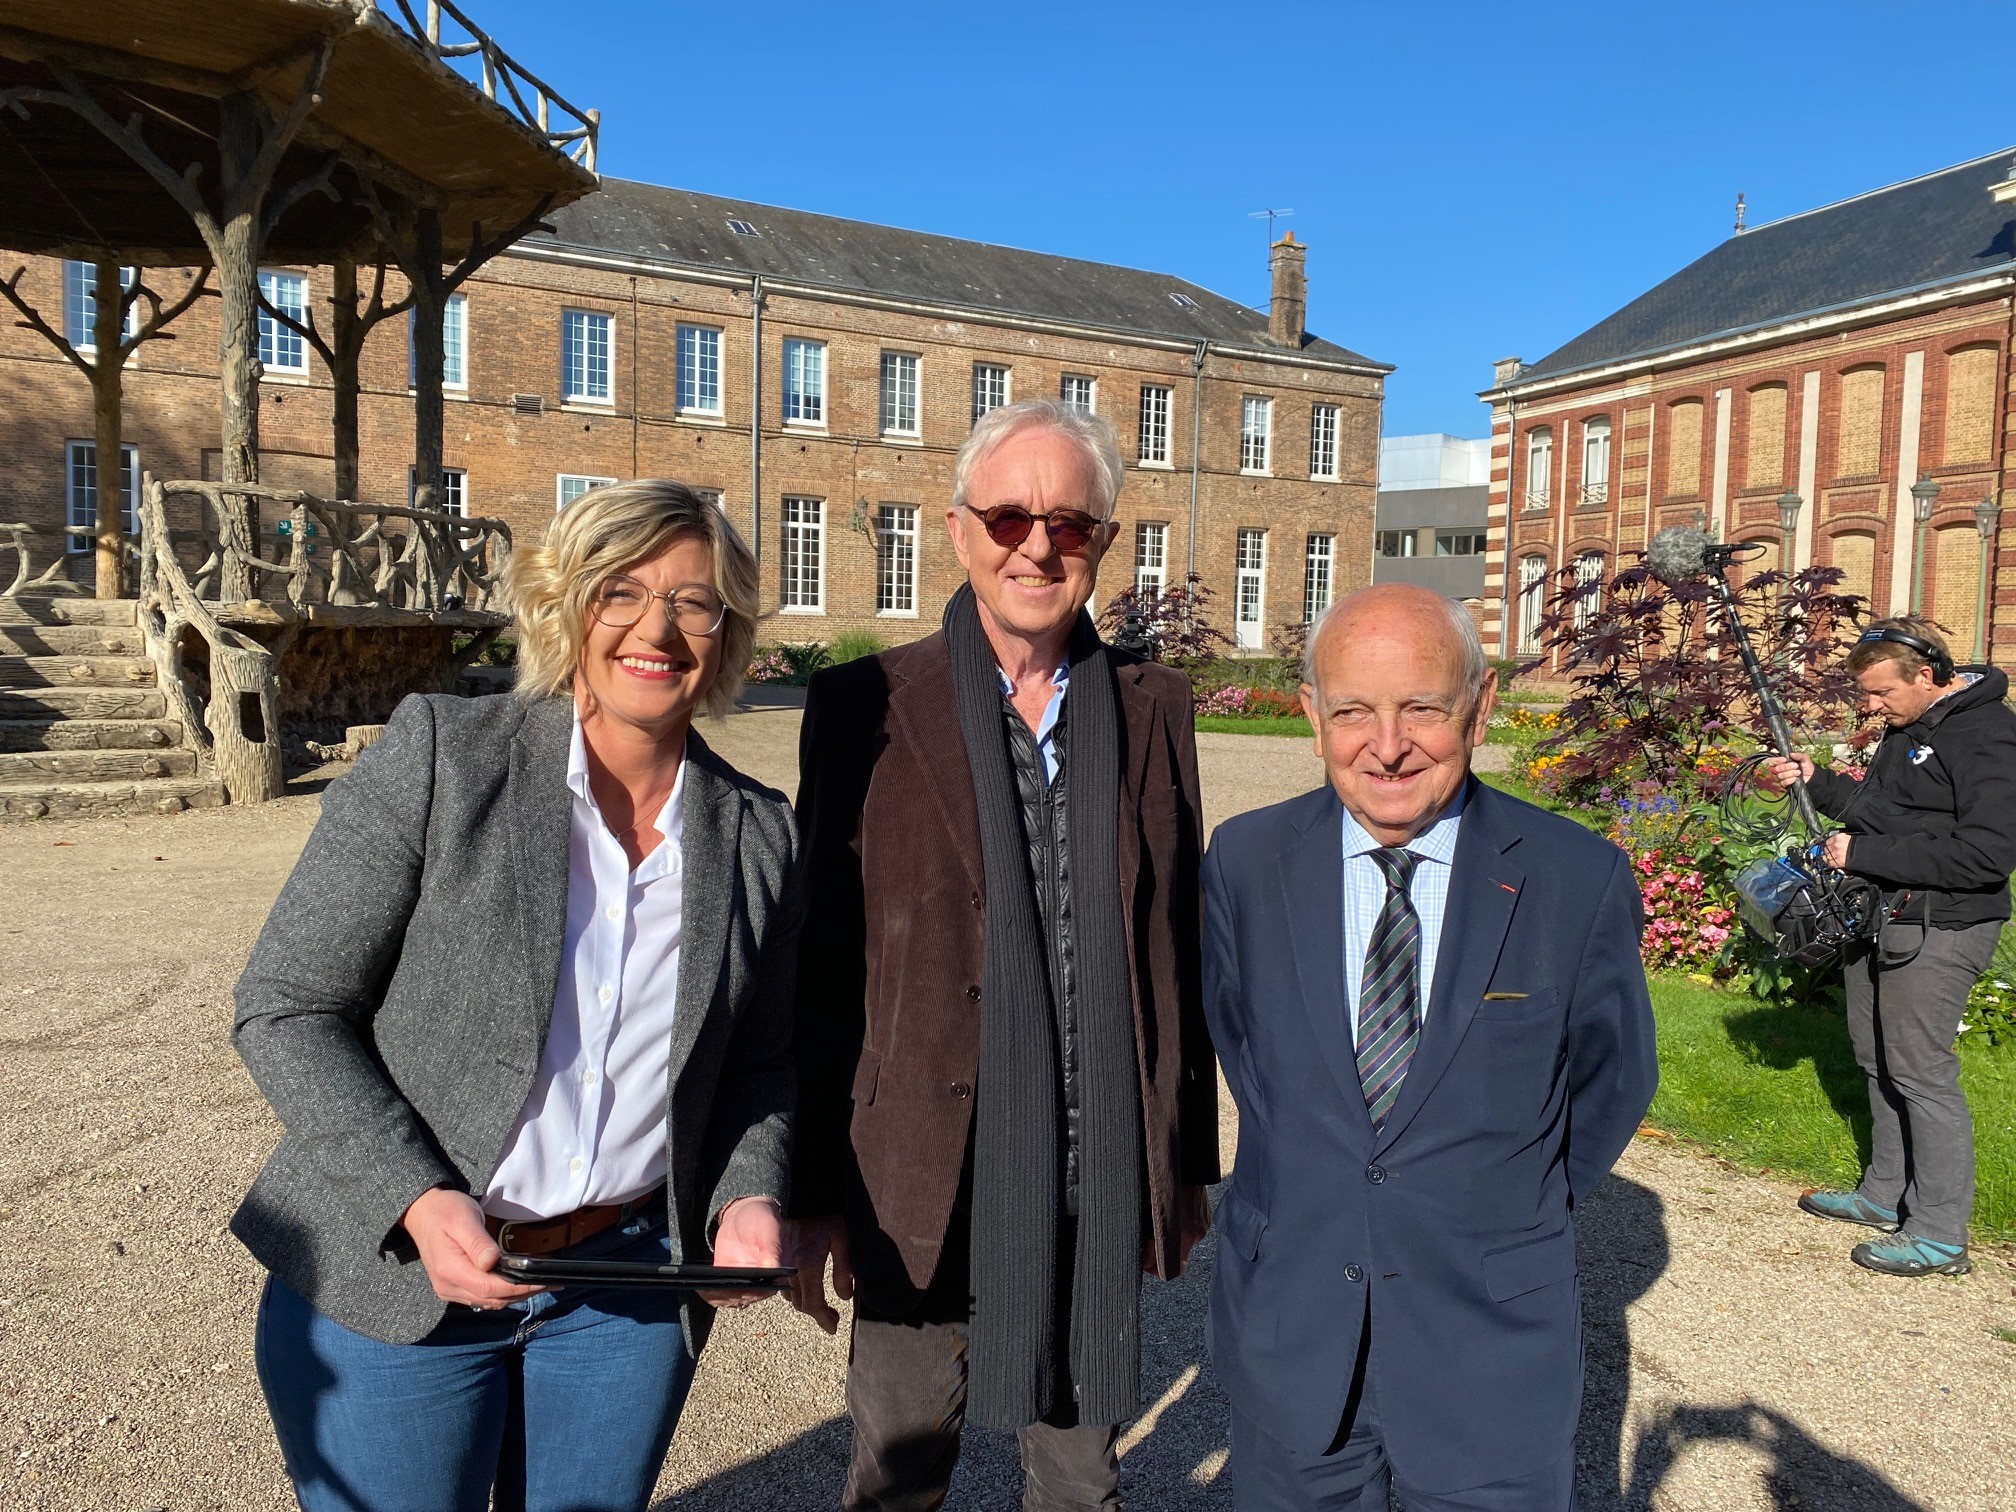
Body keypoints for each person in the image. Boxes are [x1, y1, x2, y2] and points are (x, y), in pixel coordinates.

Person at [230, 482, 800, 1512]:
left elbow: (763, 1060)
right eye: (620, 591)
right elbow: (286, 1004)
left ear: (727, 632)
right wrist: (417, 1192)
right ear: (565, 603)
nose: (657, 629)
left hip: (625, 1295)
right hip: (400, 1275)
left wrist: (749, 1196)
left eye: (695, 602)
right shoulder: (446, 755)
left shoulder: (761, 833)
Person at [787, 398, 1219, 1511]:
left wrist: (1187, 1157)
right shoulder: (861, 706)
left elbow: (1176, 939)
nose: (1038, 544)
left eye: (1070, 524)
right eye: (1010, 516)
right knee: (898, 1466)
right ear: (958, 527)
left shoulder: (1153, 705)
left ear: (1106, 547)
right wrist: (809, 1183)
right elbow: (822, 953)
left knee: (1080, 1481)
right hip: (919, 1162)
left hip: (1095, 1160)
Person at [1201, 582, 1658, 1511]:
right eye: (1354, 711)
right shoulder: (1245, 862)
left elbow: (1613, 1079)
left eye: (1423, 708)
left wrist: (1493, 1202)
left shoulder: (1576, 877)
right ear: (1311, 715)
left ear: (1480, 708)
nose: (1388, 745)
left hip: (1488, 1349)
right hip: (1295, 1331)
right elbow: (1246, 1049)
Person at [1759, 616, 2016, 1277]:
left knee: (1922, 1073)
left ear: (1926, 676)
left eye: (1878, 694)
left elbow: (1989, 854)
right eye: (1863, 695)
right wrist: (1816, 781)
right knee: (1876, 1060)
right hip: (1884, 914)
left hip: (1944, 924)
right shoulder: (1908, 732)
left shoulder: (1989, 734)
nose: (1868, 708)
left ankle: (1938, 1234)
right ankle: (1882, 1196)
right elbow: (1882, 811)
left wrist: (1864, 853)